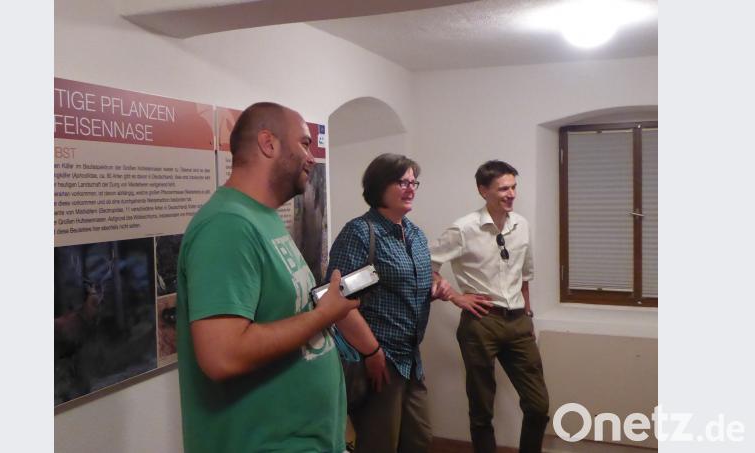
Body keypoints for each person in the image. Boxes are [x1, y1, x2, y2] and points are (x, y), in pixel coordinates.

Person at [176, 102, 359, 453]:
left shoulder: (262, 217)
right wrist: (323, 316)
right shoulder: (228, 225)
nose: (312, 157)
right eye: (304, 144)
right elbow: (222, 355)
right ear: (268, 143)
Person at [325, 153, 451, 453]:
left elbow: (406, 282)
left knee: (418, 440)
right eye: (401, 182)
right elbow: (339, 301)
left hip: (410, 359)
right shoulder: (361, 233)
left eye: (413, 183)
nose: (410, 189)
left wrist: (435, 286)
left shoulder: (415, 235)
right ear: (379, 185)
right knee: (379, 444)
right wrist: (372, 351)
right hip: (378, 360)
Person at [429, 160, 550, 453]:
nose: (511, 194)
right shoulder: (463, 228)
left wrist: (528, 314)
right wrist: (456, 296)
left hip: (518, 321)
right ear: (483, 191)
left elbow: (524, 275)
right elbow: (427, 266)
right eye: (503, 189)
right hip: (481, 322)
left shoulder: (521, 225)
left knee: (538, 405)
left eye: (514, 187)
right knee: (482, 407)